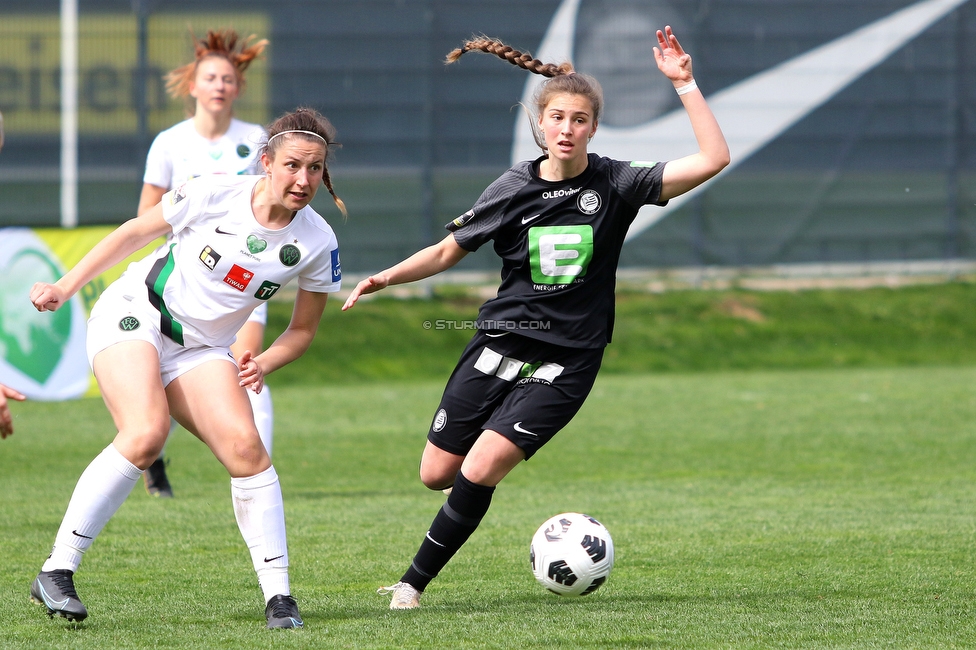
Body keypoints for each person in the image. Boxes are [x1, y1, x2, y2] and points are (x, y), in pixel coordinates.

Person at [342, 26, 730, 609]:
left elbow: (714, 158)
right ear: (540, 123)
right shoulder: (512, 186)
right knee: (435, 474)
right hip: (498, 345)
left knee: (482, 466)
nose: (567, 129)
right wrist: (385, 277)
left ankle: (411, 585)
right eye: (558, 118)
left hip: (568, 359)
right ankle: (426, 557)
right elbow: (449, 251)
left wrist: (686, 84)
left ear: (593, 128)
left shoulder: (617, 182)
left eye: (579, 120)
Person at [28, 107, 346, 628]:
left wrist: (263, 360)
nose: (303, 179)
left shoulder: (316, 242)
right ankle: (57, 570)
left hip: (202, 350)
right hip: (137, 312)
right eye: (292, 165)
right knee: (147, 431)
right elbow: (133, 233)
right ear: (266, 161)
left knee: (248, 451)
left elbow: (303, 331)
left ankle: (280, 599)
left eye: (315, 169)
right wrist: (65, 286)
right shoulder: (214, 192)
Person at [138, 29, 271, 498]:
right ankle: (152, 459)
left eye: (227, 79)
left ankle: (256, 480)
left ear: (238, 89)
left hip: (242, 279)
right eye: (210, 78)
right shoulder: (169, 144)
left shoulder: (257, 140)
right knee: (172, 374)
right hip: (185, 281)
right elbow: (145, 219)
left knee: (246, 366)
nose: (218, 85)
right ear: (192, 86)